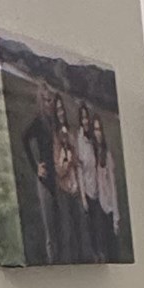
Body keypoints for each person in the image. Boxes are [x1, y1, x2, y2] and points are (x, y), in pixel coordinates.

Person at [19, 82, 60, 263]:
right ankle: (52, 261)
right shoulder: (38, 122)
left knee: (59, 223)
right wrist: (35, 166)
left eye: (50, 100)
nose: (48, 104)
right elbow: (24, 139)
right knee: (49, 225)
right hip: (44, 178)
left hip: (59, 176)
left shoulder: (55, 122)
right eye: (45, 100)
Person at [52, 103, 79, 261]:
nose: (61, 113)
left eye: (62, 109)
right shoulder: (55, 138)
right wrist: (66, 163)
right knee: (67, 230)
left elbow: (76, 160)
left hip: (75, 186)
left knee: (78, 229)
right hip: (63, 187)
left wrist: (73, 158)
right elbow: (59, 170)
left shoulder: (70, 134)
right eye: (58, 110)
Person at [74, 101, 99, 258]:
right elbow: (79, 169)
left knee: (99, 226)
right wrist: (83, 197)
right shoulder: (79, 141)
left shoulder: (93, 140)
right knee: (91, 227)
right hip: (87, 190)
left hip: (98, 189)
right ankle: (94, 253)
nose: (85, 121)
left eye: (86, 118)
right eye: (82, 118)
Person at [93, 115, 120, 254]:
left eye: (99, 129)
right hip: (99, 206)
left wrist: (116, 217)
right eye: (94, 130)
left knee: (112, 249)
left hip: (108, 207)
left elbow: (113, 187)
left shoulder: (107, 155)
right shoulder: (94, 154)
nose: (97, 133)